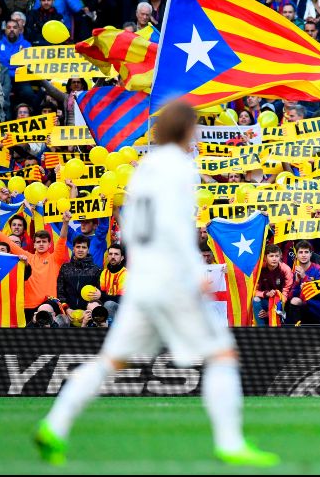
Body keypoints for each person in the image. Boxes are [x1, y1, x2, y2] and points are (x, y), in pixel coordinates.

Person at [33, 102, 279, 467]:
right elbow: (173, 226)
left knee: (109, 362)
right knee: (222, 356)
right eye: (193, 126)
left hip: (143, 281)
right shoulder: (180, 167)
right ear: (185, 131)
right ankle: (230, 442)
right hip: (172, 279)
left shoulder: (145, 170)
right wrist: (194, 270)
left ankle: (55, 425)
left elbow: (133, 228)